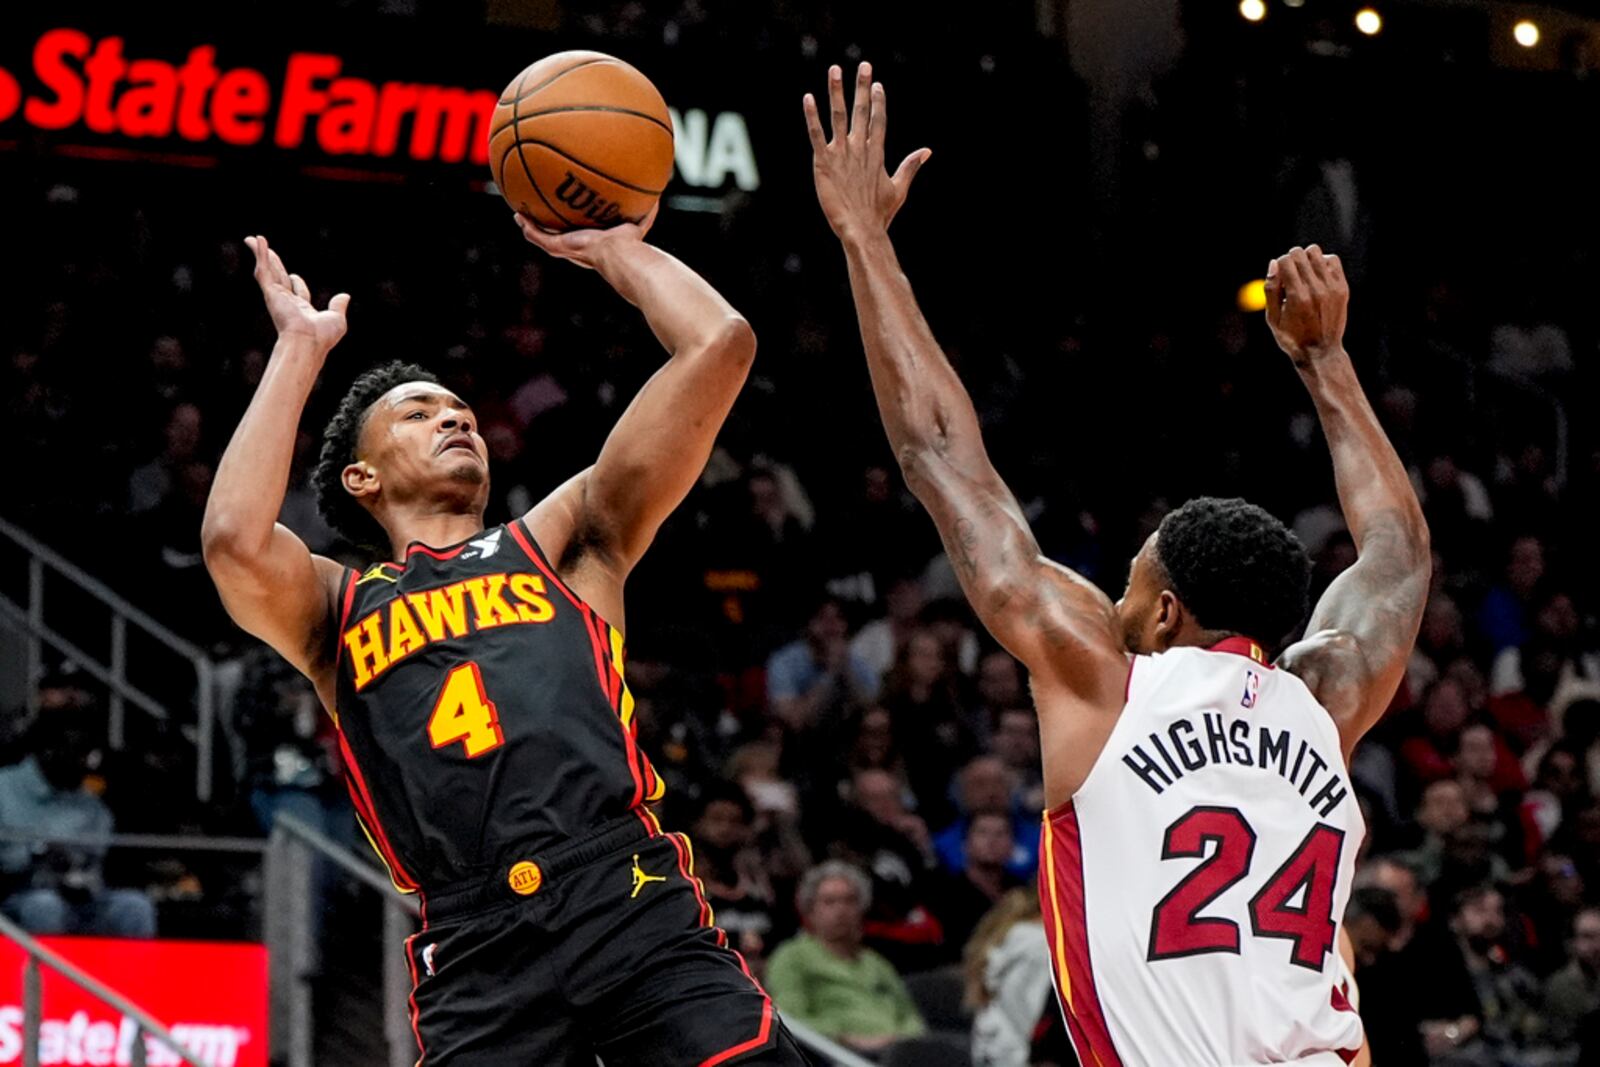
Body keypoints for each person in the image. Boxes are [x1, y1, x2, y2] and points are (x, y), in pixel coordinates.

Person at [805, 62, 1429, 1064]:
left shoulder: (1103, 679)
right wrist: (1325, 360)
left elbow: (942, 463)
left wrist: (866, 241)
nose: (1117, 605)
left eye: (1131, 588)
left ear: (1171, 610)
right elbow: (1397, 554)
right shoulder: (1327, 697)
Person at [202, 222, 806, 1063]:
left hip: (624, 892)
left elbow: (719, 344)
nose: (453, 417)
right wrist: (299, 349)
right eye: (418, 413)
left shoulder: (560, 538)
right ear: (361, 477)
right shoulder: (335, 602)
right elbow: (233, 539)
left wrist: (617, 251)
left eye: (461, 411)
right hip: (476, 941)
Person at [0, 694, 156, 939]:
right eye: (78, 753)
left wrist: (78, 869)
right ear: (48, 750)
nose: (87, 765)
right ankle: (47, 978)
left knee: (134, 907)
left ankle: (130, 978)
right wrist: (38, 853)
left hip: (80, 899)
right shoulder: (4, 787)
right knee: (45, 906)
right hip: (18, 896)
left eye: (90, 754)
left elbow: (99, 859)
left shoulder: (91, 805)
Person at [764, 861, 926, 1055]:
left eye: (850, 901)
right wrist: (843, 1036)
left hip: (897, 1052)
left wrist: (901, 1039)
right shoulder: (791, 957)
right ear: (810, 911)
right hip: (835, 1054)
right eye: (829, 902)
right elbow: (789, 1020)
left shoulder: (877, 962)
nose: (841, 910)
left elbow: (911, 1017)